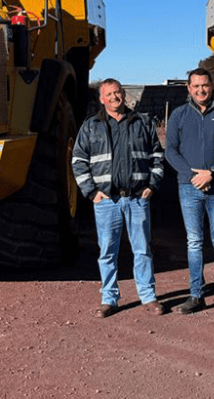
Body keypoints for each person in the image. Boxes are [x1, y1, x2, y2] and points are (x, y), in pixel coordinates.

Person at [72, 79, 166, 318]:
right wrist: (91, 192)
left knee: (143, 250)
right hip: (107, 201)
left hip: (137, 198)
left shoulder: (142, 122)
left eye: (117, 92)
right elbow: (78, 161)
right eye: (109, 94)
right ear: (101, 99)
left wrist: (152, 185)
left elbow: (157, 156)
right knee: (107, 252)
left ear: (123, 94)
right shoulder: (91, 126)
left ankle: (148, 296)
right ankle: (109, 299)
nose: (114, 97)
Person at [165, 68, 214, 319]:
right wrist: (193, 176)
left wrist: (213, 173)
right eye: (196, 86)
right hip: (189, 187)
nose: (201, 90)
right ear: (189, 88)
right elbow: (171, 151)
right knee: (194, 242)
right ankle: (196, 295)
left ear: (212, 86)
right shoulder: (179, 115)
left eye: (205, 85)